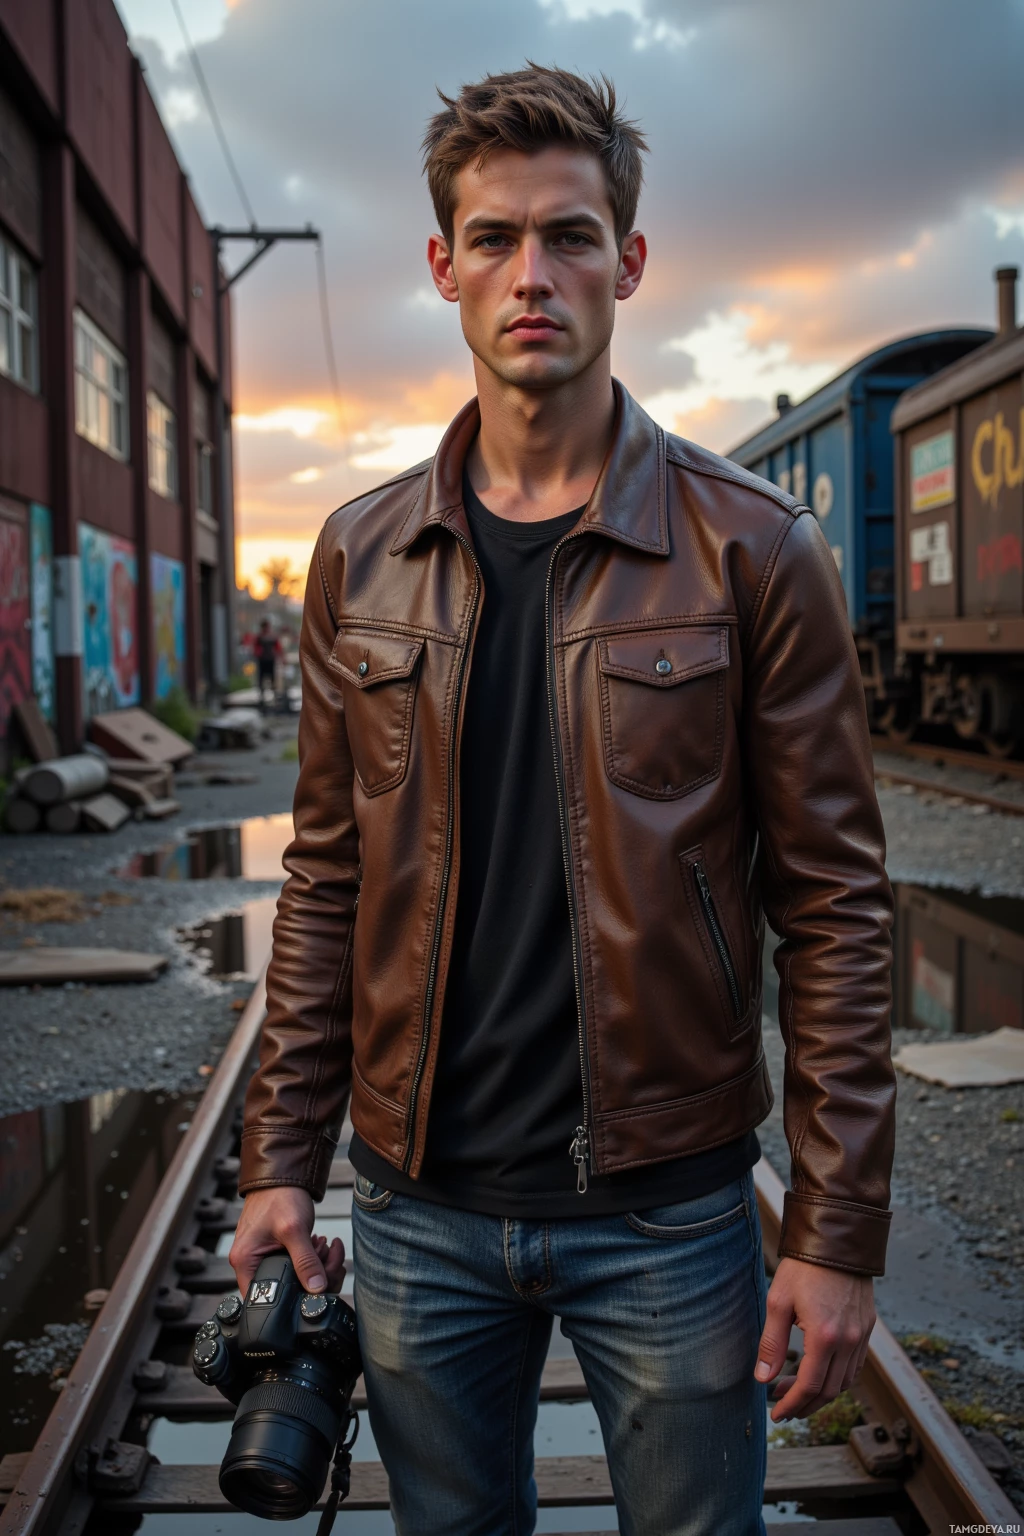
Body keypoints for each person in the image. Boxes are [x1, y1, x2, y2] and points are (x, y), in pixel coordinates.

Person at [230, 64, 895, 1535]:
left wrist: (837, 1233)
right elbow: (327, 882)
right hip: (419, 1212)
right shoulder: (362, 556)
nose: (533, 273)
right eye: (494, 238)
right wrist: (284, 1165)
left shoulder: (755, 550)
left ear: (630, 262)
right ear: (444, 268)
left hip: (668, 1213)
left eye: (572, 235)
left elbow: (838, 908)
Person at [253, 618, 280, 711]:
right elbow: (255, 648)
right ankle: (262, 697)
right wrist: (258, 654)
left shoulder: (272, 637)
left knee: (272, 679)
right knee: (262, 678)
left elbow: (278, 647)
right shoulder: (260, 637)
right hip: (262, 660)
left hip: (270, 660)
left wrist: (279, 655)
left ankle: (274, 697)